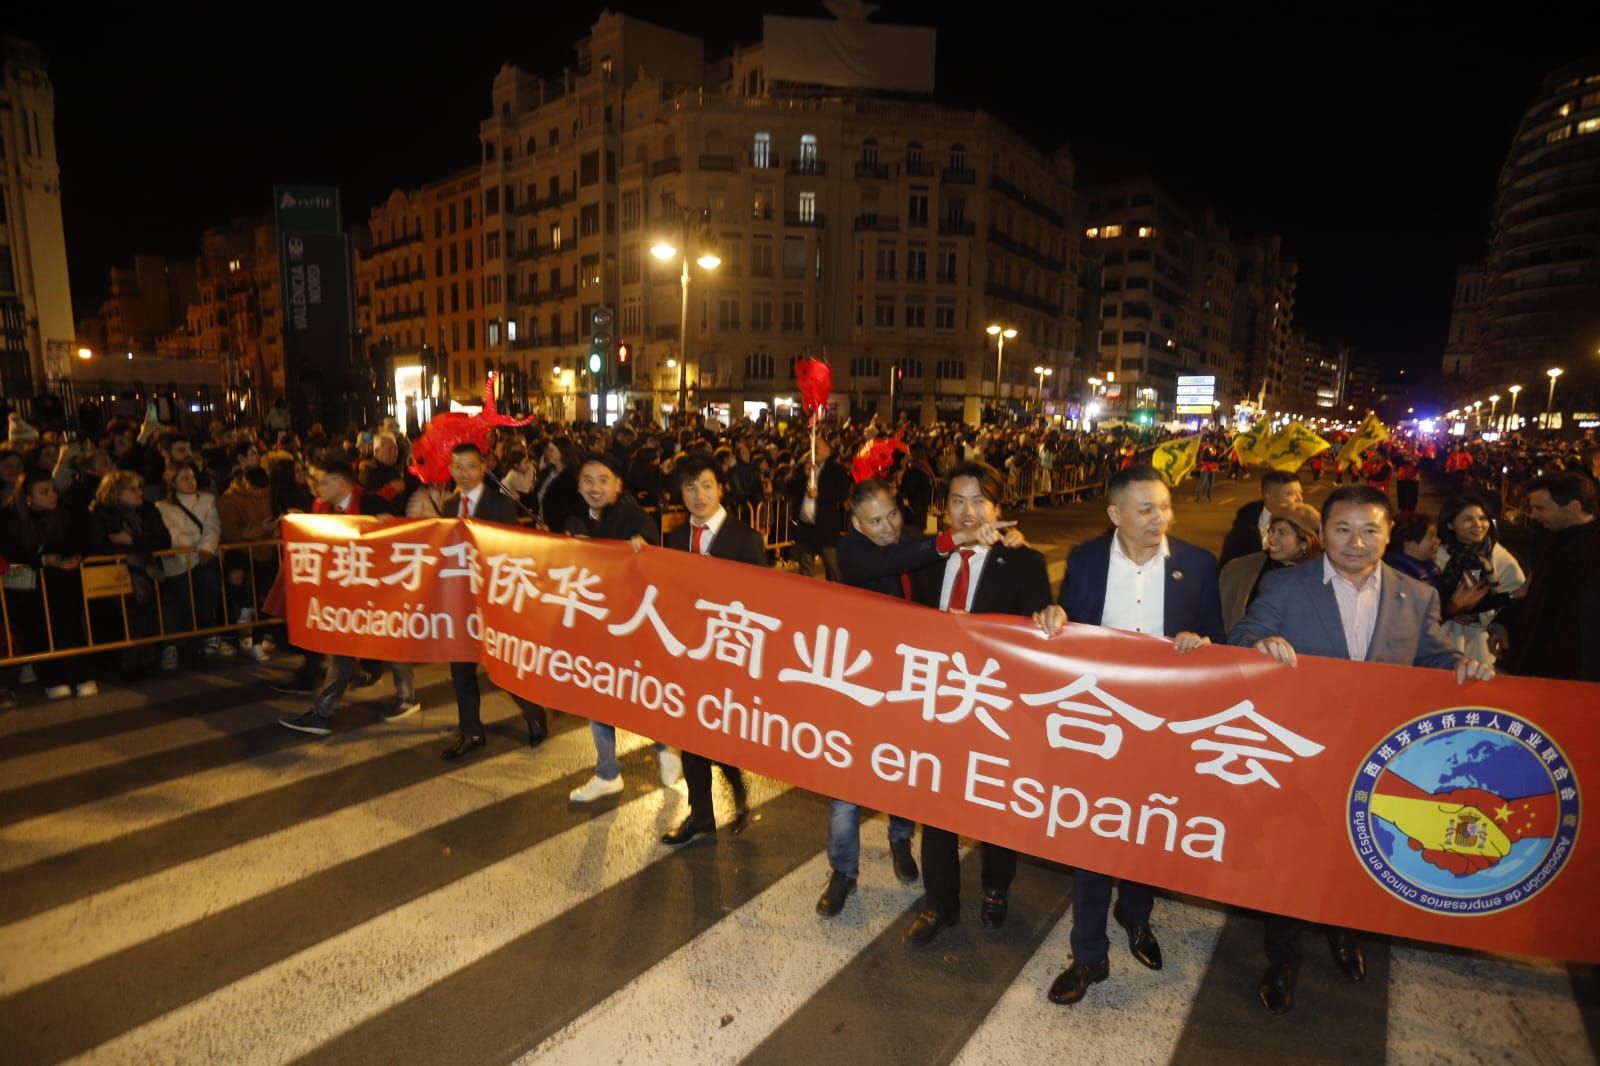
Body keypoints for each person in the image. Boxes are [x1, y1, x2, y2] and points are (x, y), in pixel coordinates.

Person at [1229, 484, 1493, 1015]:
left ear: (1388, 533)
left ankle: (1345, 935)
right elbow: (1240, 638)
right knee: (1290, 858)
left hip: (1378, 759)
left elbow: (1434, 657)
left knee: (1358, 854)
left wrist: (1463, 668)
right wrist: (1260, 646)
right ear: (1322, 533)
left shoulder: (1416, 594)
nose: (1356, 541)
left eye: (1370, 529)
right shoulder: (1286, 586)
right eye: (1343, 529)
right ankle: (1282, 957)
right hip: (1299, 752)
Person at [1045, 465, 1225, 1005]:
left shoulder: (1195, 564)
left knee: (1148, 828)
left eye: (1165, 507)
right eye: (1145, 509)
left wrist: (1203, 641)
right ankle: (1089, 955)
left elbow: (1220, 636)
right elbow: (1067, 630)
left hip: (1165, 726)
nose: (1159, 518)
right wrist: (1052, 617)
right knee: (1094, 836)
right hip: (1099, 723)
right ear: (1115, 515)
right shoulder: (1085, 560)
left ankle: (1138, 917)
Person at [902, 462, 1052, 947]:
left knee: (994, 808)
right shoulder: (927, 558)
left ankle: (996, 887)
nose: (967, 512)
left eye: (978, 501)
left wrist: (1051, 616)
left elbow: (1039, 642)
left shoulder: (1023, 562)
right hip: (936, 703)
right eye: (956, 501)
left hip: (994, 708)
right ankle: (940, 904)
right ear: (943, 508)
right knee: (937, 809)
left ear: (997, 507)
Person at [659, 452, 768, 846]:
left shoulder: (745, 539)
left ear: (721, 488)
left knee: (722, 740)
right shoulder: (672, 539)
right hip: (687, 658)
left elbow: (762, 604)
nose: (698, 494)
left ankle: (738, 795)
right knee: (690, 742)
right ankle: (701, 815)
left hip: (727, 659)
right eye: (690, 486)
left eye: (706, 484)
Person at [561, 452, 679, 803]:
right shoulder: (573, 519)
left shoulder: (635, 518)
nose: (595, 487)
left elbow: (655, 567)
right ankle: (607, 772)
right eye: (587, 480)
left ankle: (666, 747)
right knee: (598, 699)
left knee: (638, 693)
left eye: (603, 480)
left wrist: (642, 551)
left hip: (633, 628)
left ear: (618, 484)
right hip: (594, 627)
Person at [278, 462, 420, 736]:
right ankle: (323, 712)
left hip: (378, 590)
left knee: (390, 641)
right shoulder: (323, 508)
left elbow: (403, 539)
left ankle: (406, 697)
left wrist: (387, 526)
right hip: (346, 593)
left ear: (341, 482)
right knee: (341, 648)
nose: (316, 488)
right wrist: (302, 522)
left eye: (321, 482)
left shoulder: (371, 502)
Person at [440, 443, 550, 759]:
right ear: (450, 469)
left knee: (502, 669)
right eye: (457, 466)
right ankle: (470, 731)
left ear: (483, 467)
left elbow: (510, 551)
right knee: (460, 671)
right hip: (460, 604)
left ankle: (534, 713)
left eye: (471, 466)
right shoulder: (448, 506)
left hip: (493, 601)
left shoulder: (500, 504)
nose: (464, 473)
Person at [1493, 472, 1600, 681]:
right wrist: (1504, 623)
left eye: (1540, 508)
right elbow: (1533, 586)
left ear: (1573, 507)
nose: (1532, 515)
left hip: (1581, 667)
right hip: (1536, 652)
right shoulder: (1547, 535)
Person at [1, 470, 95, 698]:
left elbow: (82, 540)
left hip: (62, 581)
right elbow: (9, 551)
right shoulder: (9, 519)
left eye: (53, 490)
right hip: (27, 585)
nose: (52, 495)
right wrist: (41, 560)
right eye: (44, 492)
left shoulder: (66, 514)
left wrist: (76, 557)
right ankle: (51, 678)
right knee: (37, 630)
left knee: (70, 628)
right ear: (27, 496)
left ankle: (81, 676)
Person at [1433, 493, 1524, 666]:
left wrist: (1488, 620)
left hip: (1483, 644)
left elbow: (1515, 599)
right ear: (1450, 524)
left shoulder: (1499, 556)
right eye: (1468, 519)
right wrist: (1449, 610)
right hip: (1442, 641)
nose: (1478, 525)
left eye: (1483, 518)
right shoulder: (1438, 555)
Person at [155, 464, 222, 669]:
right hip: (177, 562)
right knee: (185, 603)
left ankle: (200, 636)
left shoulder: (208, 500)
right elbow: (173, 534)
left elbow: (212, 527)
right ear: (172, 482)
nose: (190, 482)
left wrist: (205, 548)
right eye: (184, 478)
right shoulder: (162, 507)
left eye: (192, 477)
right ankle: (194, 646)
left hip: (202, 557)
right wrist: (192, 544)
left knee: (207, 594)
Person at [1218, 503, 1323, 632]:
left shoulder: (1322, 578)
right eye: (1271, 530)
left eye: (1282, 533)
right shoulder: (1241, 569)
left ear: (1305, 543)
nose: (1272, 539)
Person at [786, 434, 851, 581]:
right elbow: (790, 489)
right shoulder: (804, 466)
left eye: (818, 447)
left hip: (825, 526)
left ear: (828, 450)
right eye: (813, 447)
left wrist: (820, 495)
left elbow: (842, 493)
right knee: (806, 566)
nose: (814, 450)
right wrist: (803, 474)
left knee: (832, 566)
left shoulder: (835, 470)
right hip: (805, 526)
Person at [1219, 471, 1304, 567]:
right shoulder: (1243, 530)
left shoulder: (1307, 527)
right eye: (1290, 494)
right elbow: (1226, 570)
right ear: (1269, 497)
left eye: (1300, 493)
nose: (1299, 499)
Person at [1383, 511, 1442, 586]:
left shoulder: (1428, 567)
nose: (1438, 541)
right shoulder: (1400, 577)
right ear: (1408, 545)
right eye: (1431, 537)